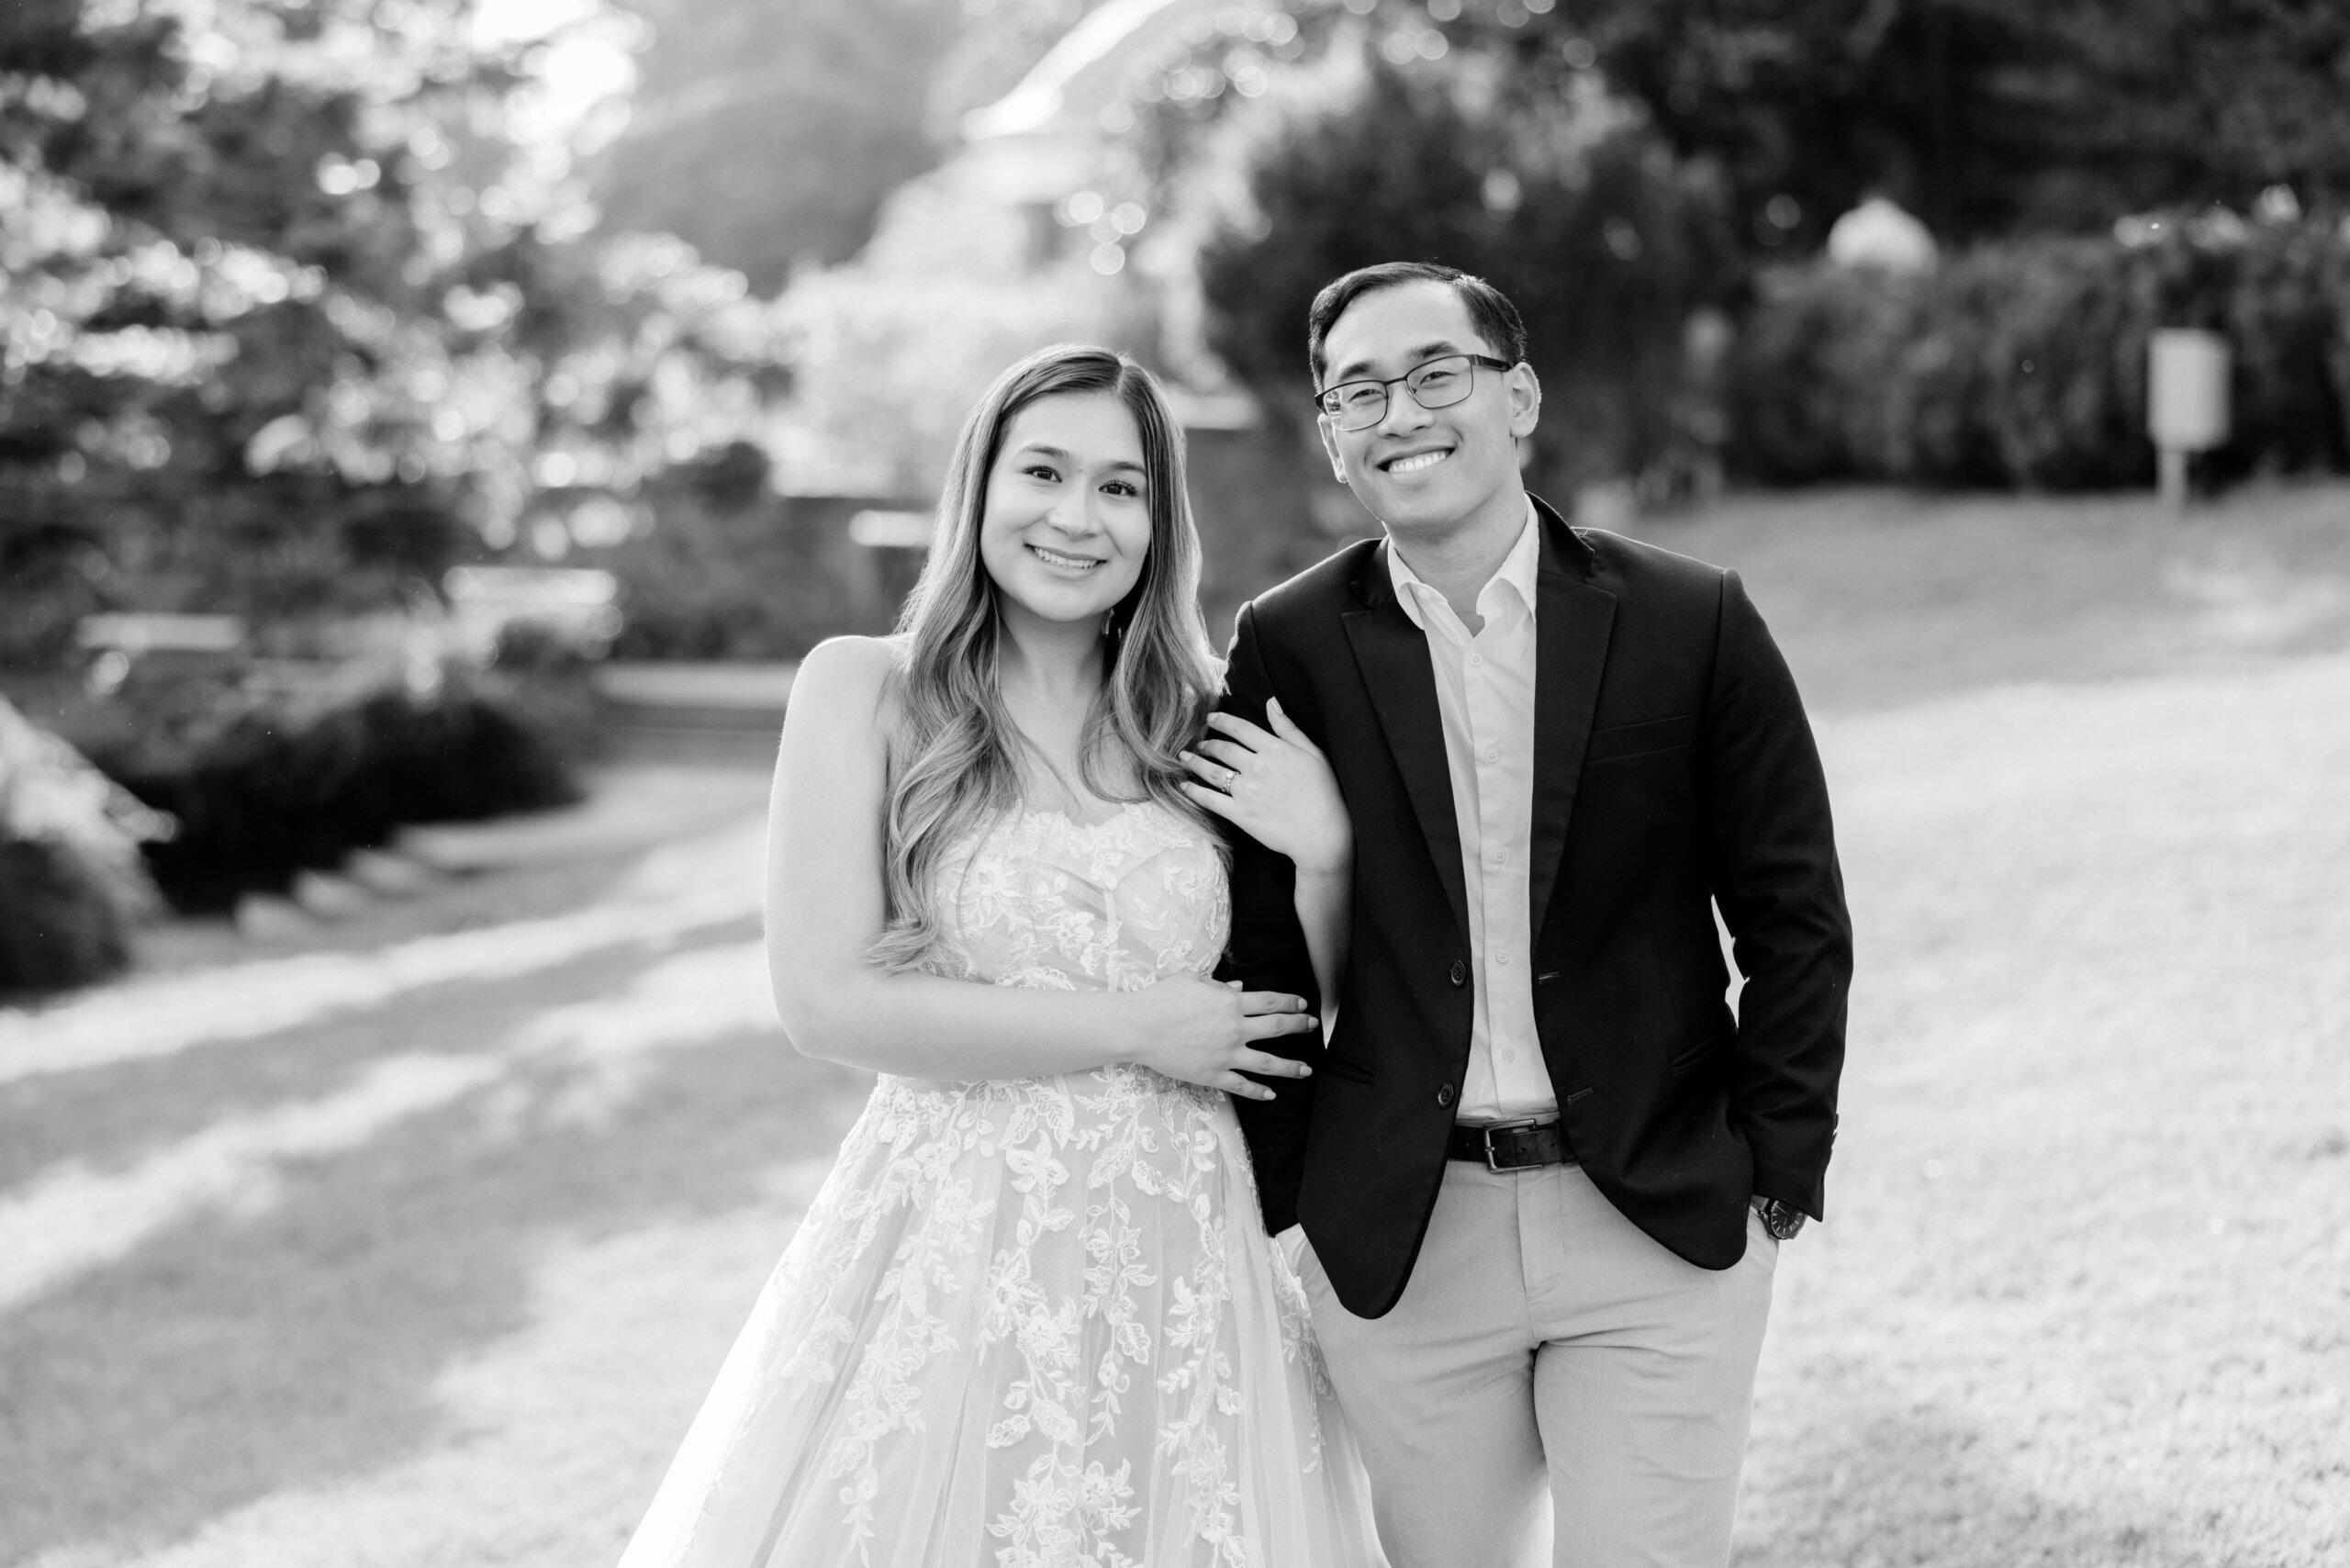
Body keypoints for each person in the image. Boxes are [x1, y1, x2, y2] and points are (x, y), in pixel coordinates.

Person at [616, 344, 1387, 1568]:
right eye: (1044, 472)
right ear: (978, 487)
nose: (1077, 517)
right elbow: (824, 1003)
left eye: (1121, 488)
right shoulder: (864, 690)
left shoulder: (1205, 727)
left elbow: (1313, 1015)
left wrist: (1330, 856)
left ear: (1158, 522)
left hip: (1188, 1262)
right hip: (956, 1243)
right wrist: (1138, 1028)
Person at [1203, 263, 1852, 1568]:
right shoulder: (1286, 644)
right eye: (1360, 393)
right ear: (1332, 434)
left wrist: (1775, 1175)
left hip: (1660, 1224)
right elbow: (1257, 956)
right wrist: (1296, 1207)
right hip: (1404, 1239)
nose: (1403, 415)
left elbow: (1793, 918)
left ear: (1520, 397)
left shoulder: (1692, 618)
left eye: (1437, 374)